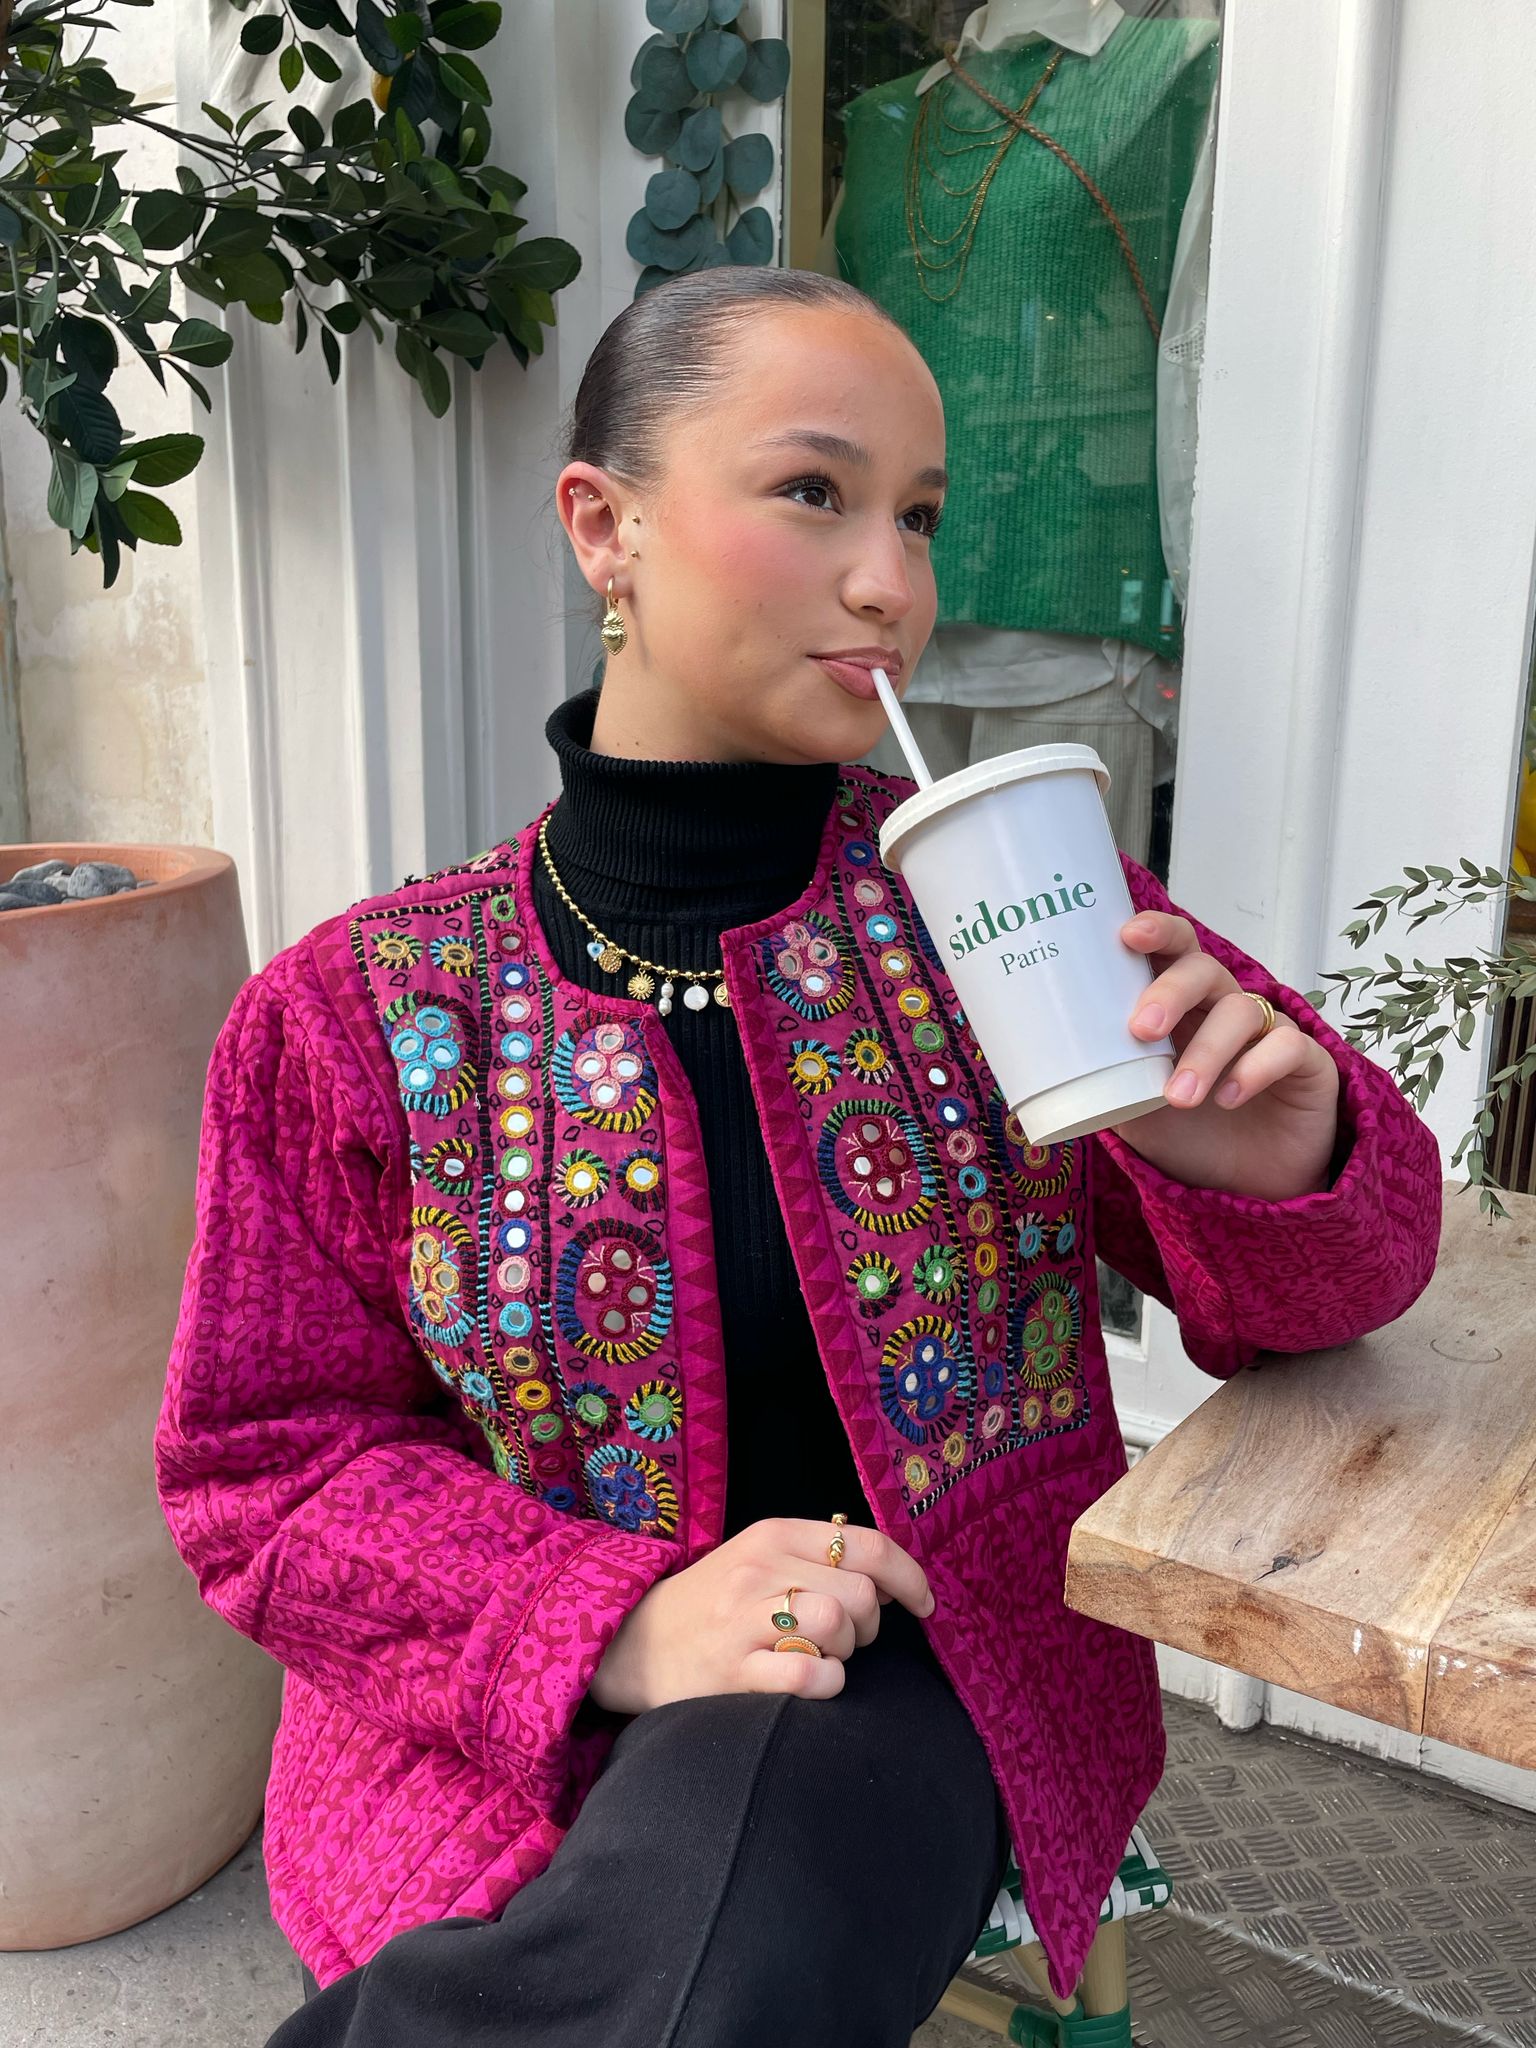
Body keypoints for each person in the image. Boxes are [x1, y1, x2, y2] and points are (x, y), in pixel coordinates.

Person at [154, 267, 1443, 2048]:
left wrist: (1277, 1163)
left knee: (742, 1866)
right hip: (485, 1721)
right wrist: (605, 1622)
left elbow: (1358, 1285)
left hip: (933, 1654)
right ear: (603, 531)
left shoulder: (1020, 912)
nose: (891, 584)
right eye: (814, 493)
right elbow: (264, 1468)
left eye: (918, 516)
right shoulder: (352, 1015)